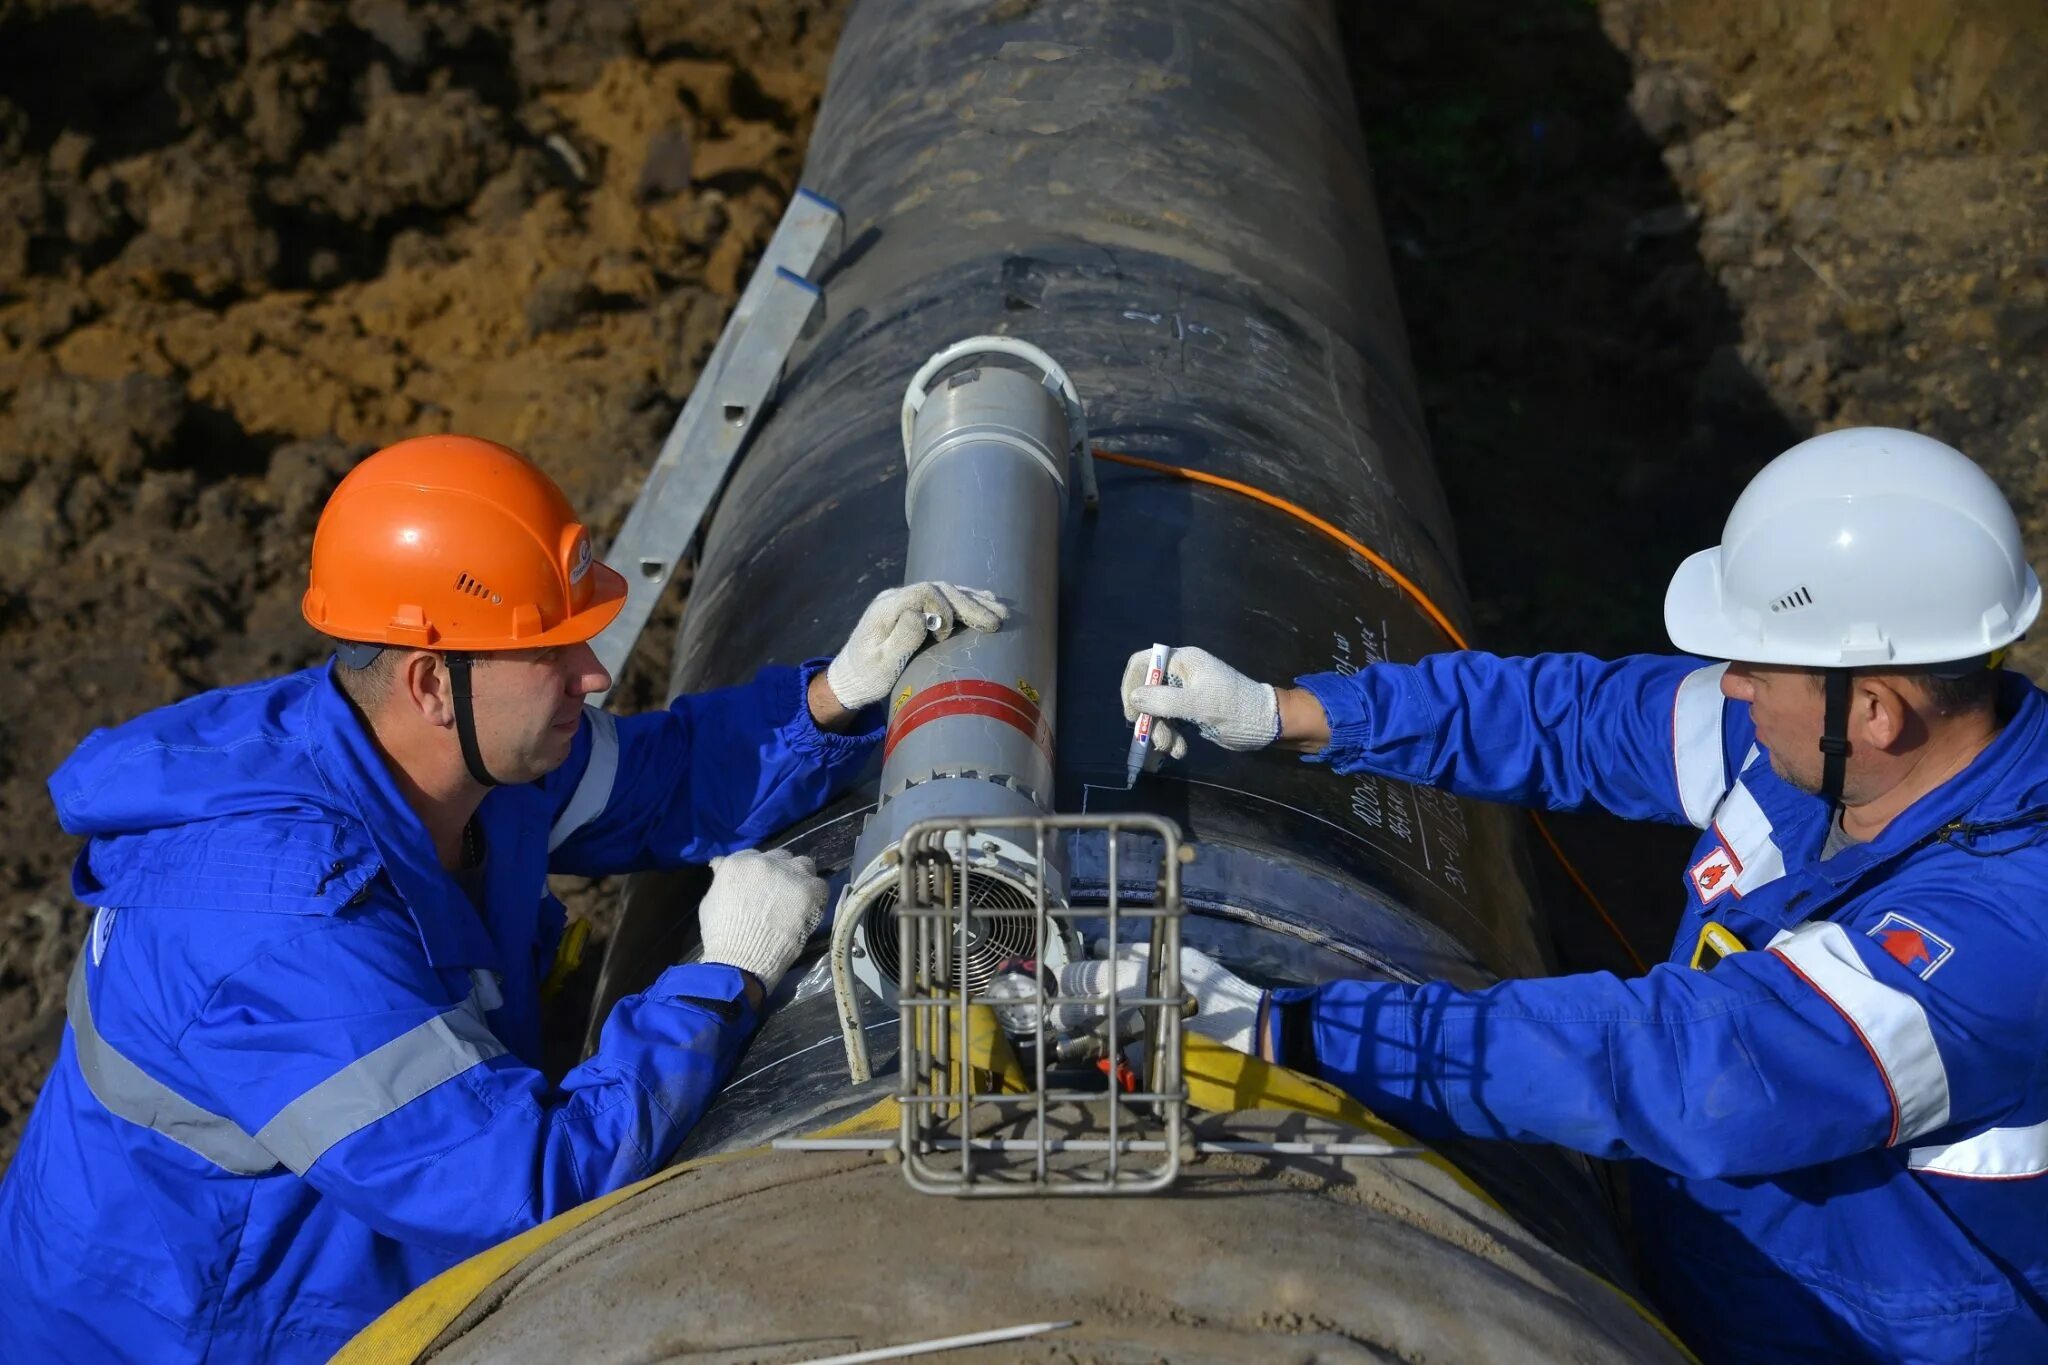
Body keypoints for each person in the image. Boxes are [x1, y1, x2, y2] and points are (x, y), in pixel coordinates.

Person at [0, 433, 1006, 1364]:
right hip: (202, 1335)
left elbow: (657, 782)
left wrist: (835, 696)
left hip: (324, 1258)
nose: (594, 674)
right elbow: (527, 1186)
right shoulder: (277, 930)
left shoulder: (439, 754)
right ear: (432, 681)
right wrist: (725, 977)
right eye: (552, 650)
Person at [1110, 428, 2048, 1362]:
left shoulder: (2003, 934)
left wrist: (1296, 1032)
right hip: (1713, 1266)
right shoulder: (1824, 746)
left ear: (1874, 709)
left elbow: (1689, 1069)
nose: (1732, 684)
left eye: (1759, 665)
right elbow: (1580, 720)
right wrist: (1292, 714)